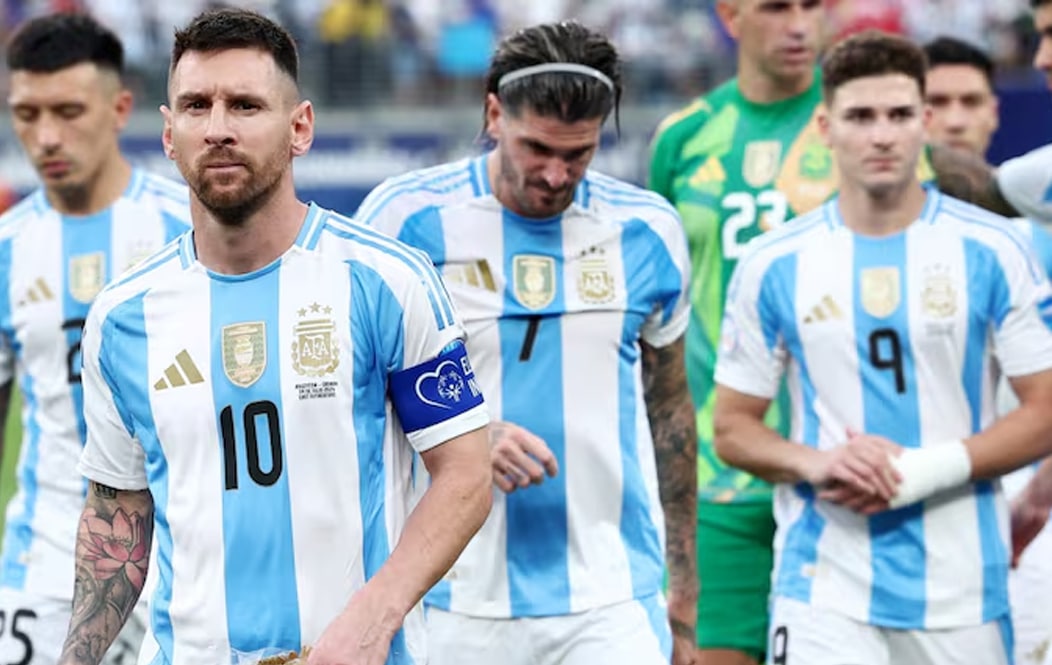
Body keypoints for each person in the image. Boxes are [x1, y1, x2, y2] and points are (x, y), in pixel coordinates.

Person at [57, 8, 492, 665]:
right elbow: (117, 507)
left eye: (246, 105)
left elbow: (465, 472)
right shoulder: (123, 315)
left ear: (300, 128)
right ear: (169, 134)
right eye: (197, 106)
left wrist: (374, 618)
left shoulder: (384, 280)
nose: (220, 128)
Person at [358, 20, 699, 665]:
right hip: (448, 597)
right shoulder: (402, 219)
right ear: (493, 113)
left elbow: (672, 414)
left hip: (611, 600)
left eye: (579, 154)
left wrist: (682, 595)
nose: (554, 174)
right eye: (536, 147)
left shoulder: (647, 229)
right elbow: (349, 395)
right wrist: (468, 435)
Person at [714, 30, 1052, 664]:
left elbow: (1045, 412)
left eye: (898, 115)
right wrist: (820, 464)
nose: (881, 135)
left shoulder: (995, 251)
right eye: (861, 116)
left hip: (964, 590)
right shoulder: (773, 262)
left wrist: (924, 470)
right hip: (823, 588)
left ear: (923, 123)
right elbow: (733, 428)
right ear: (824, 126)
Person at [0, 13, 190, 665]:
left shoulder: (186, 231)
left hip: (184, 559)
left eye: (68, 110)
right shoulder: (6, 250)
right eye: (25, 113)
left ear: (119, 108)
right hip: (43, 564)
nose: (45, 135)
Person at [648, 2, 830, 662]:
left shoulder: (854, 127)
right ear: (730, 15)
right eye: (778, 7)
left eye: (815, 6)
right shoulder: (683, 137)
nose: (800, 25)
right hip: (713, 477)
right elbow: (659, 302)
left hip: (833, 471)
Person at [923, 34, 1052, 665]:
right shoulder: (1034, 190)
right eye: (931, 101)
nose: (1043, 57)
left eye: (969, 99)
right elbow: (989, 186)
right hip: (955, 496)